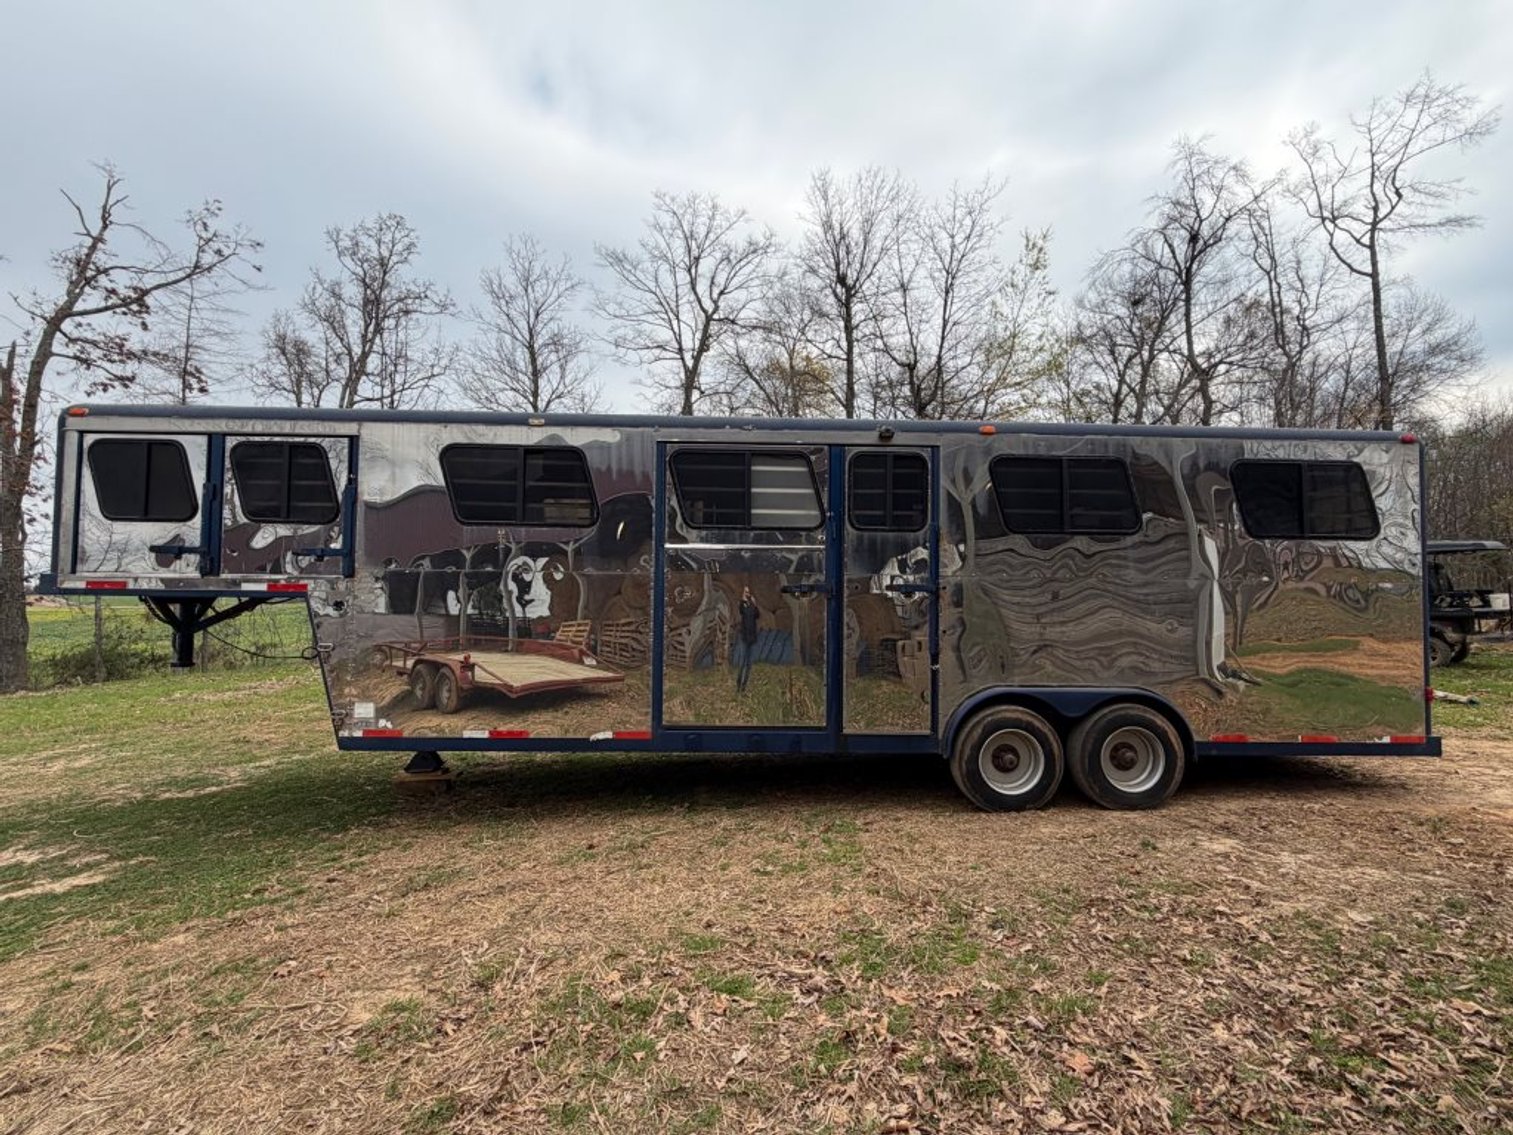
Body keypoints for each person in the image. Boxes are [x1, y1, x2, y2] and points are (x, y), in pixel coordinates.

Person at [736, 585, 759, 692]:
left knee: (749, 665)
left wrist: (755, 604)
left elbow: (757, 615)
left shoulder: (753, 606)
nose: (747, 594)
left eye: (748, 592)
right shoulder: (742, 605)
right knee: (742, 663)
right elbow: (741, 611)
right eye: (745, 592)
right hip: (744, 638)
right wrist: (743, 600)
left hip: (752, 639)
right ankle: (738, 684)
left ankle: (743, 687)